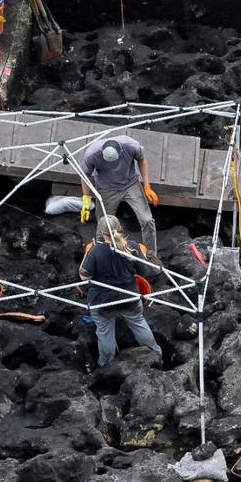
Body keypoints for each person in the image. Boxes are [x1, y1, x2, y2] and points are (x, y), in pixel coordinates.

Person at [79, 214, 161, 370]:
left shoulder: (95, 251)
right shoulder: (132, 246)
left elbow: (84, 277)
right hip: (129, 297)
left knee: (104, 332)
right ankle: (155, 353)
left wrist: (87, 253)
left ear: (101, 232)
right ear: (120, 228)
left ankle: (105, 365)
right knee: (138, 324)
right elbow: (144, 271)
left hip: (101, 300)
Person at [76, 133, 159, 258]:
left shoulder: (131, 145)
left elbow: (142, 160)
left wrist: (147, 186)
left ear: (120, 151)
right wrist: (86, 199)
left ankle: (152, 256)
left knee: (147, 219)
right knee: (104, 225)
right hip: (106, 189)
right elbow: (84, 175)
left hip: (130, 185)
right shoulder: (91, 154)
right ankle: (100, 255)